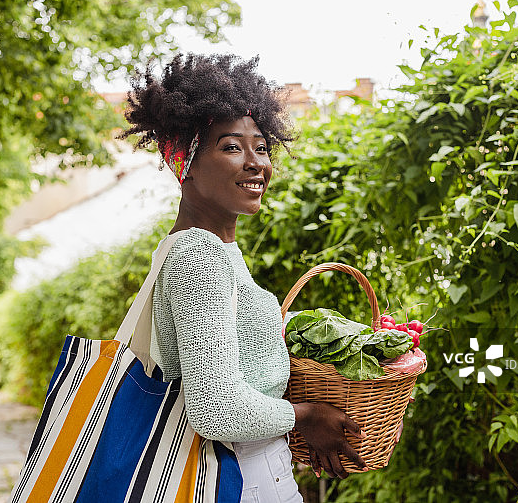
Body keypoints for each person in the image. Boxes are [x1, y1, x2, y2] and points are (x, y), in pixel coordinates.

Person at [122, 54, 366, 503]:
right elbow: (217, 408)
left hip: (251, 472)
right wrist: (307, 415)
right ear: (186, 163)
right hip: (233, 479)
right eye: (232, 147)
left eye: (262, 147)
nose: (256, 163)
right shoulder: (200, 254)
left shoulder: (216, 248)